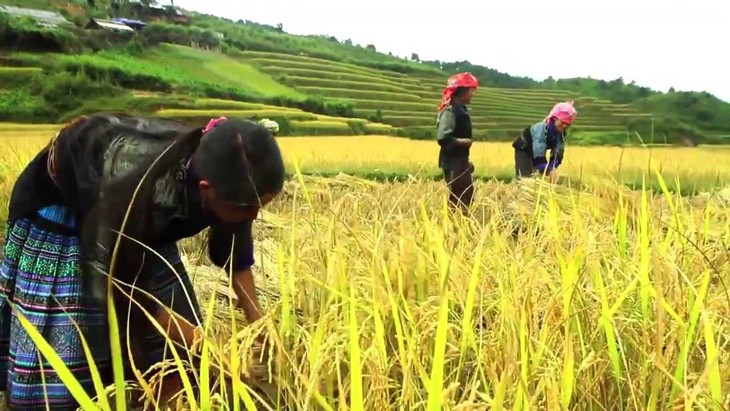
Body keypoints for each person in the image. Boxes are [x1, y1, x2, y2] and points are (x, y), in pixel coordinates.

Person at [0, 113, 285, 410]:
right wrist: (211, 348)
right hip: (74, 212)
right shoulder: (134, 183)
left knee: (176, 359)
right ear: (205, 189)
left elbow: (236, 252)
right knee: (69, 364)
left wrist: (260, 328)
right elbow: (126, 290)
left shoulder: (230, 180)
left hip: (139, 225)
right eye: (249, 208)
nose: (254, 216)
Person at [436, 72, 479, 213]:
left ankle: (459, 227)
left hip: (459, 162)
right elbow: (443, 137)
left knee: (466, 196)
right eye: (471, 91)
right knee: (459, 198)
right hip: (452, 163)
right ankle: (454, 229)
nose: (472, 94)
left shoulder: (460, 110)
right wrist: (464, 142)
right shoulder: (450, 111)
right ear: (462, 93)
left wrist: (465, 163)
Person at [511, 101, 577, 182]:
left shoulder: (561, 133)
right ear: (555, 118)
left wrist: (553, 167)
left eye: (567, 124)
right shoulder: (542, 129)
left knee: (536, 177)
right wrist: (548, 170)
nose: (564, 126)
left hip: (535, 149)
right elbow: (539, 151)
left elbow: (558, 151)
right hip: (524, 147)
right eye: (562, 122)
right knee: (525, 178)